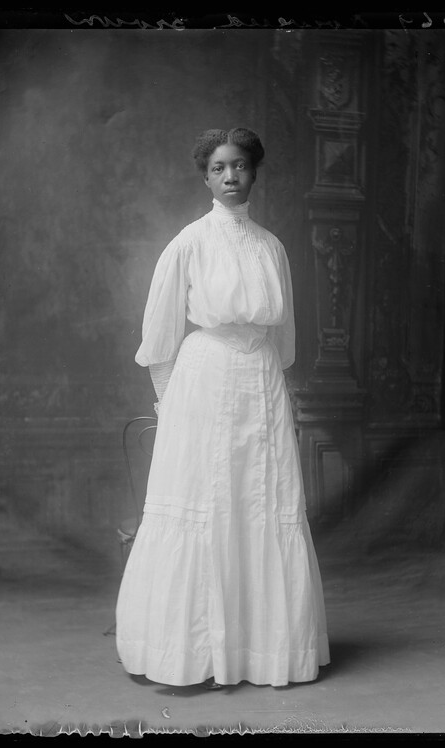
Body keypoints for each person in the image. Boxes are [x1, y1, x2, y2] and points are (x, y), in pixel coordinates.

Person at [115, 127, 329, 689]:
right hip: (203, 381)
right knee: (204, 503)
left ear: (254, 172)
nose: (231, 177)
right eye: (218, 168)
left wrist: (275, 390)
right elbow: (160, 341)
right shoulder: (189, 243)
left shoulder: (272, 246)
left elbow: (283, 340)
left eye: (239, 166)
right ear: (206, 178)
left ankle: (260, 649)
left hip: (261, 381)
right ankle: (192, 653)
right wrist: (171, 408)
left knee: (259, 502)